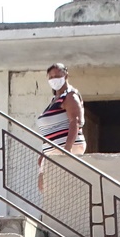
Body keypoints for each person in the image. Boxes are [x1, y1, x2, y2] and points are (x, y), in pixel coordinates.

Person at [35, 63, 86, 193]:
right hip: (52, 152)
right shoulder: (54, 99)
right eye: (51, 77)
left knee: (60, 190)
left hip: (65, 150)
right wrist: (43, 153)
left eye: (57, 76)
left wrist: (67, 150)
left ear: (66, 75)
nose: (54, 79)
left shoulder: (70, 96)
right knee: (47, 189)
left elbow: (76, 121)